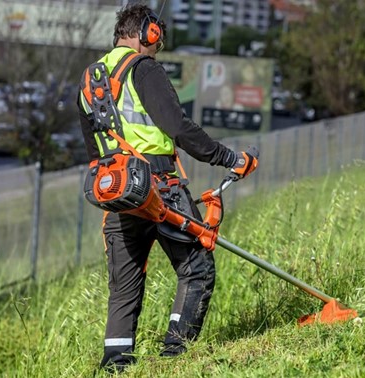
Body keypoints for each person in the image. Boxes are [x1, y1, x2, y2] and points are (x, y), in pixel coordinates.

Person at [76, 3, 258, 372]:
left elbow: (94, 147)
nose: (157, 48)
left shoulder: (90, 80)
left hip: (118, 192)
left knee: (124, 287)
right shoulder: (144, 69)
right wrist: (229, 158)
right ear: (148, 34)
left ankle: (116, 365)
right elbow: (178, 127)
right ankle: (175, 356)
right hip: (160, 189)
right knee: (197, 268)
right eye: (156, 41)